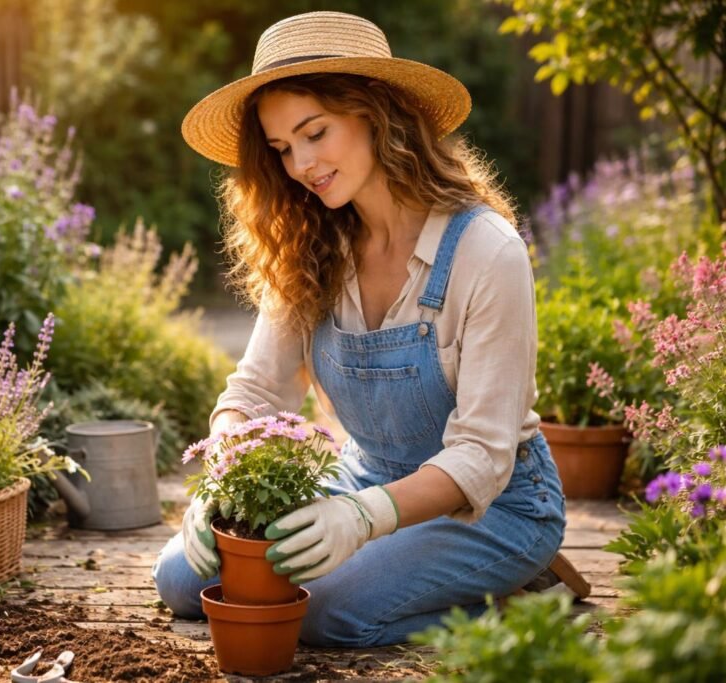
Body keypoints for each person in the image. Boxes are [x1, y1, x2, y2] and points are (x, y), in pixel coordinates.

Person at [152, 11, 587, 647]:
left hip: (495, 506)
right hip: (366, 478)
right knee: (185, 580)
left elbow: (483, 455)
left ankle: (515, 603)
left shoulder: (486, 251)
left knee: (325, 611)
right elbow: (253, 394)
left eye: (315, 132)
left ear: (375, 112)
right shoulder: (309, 243)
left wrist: (363, 518)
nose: (300, 164)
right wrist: (220, 481)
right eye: (281, 149)